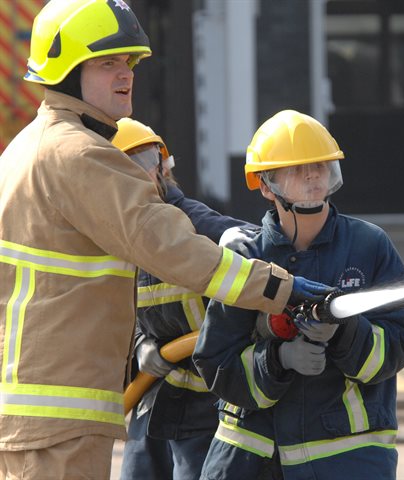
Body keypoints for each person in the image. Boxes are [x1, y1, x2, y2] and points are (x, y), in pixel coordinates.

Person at [0, 2, 330, 478]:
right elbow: (172, 246)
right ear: (66, 70)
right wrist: (283, 289)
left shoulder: (27, 147)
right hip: (59, 412)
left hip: (31, 405)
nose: (125, 74)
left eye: (129, 62)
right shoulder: (80, 154)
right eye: (107, 62)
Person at [193, 110, 404, 479]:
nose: (313, 175)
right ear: (266, 185)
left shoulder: (368, 246)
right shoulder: (248, 259)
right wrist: (279, 359)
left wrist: (346, 333)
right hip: (252, 459)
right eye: (297, 169)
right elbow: (215, 360)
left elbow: (402, 338)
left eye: (320, 165)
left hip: (346, 457)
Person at [112, 118, 259, 479]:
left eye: (144, 162)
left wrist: (245, 247)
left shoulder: (197, 225)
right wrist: (141, 345)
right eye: (122, 167)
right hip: (153, 403)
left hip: (207, 409)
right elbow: (115, 316)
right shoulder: (112, 238)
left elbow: (257, 251)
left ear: (163, 167)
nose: (136, 175)